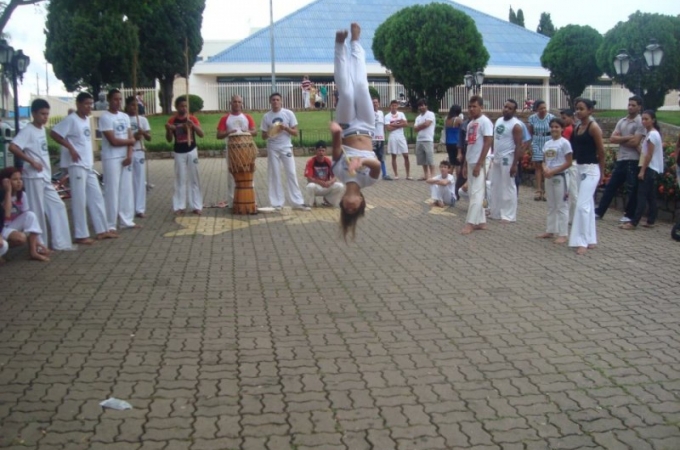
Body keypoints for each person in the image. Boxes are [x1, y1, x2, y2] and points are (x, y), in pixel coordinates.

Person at [330, 23, 381, 240]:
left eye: (346, 209)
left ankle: (340, 46)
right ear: (361, 202)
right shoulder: (369, 181)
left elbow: (336, 149)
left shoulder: (339, 174)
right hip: (368, 126)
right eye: (355, 209)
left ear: (341, 202)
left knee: (348, 94)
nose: (350, 206)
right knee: (361, 86)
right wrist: (362, 162)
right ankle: (356, 42)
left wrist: (335, 132)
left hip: (348, 125)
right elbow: (377, 164)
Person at [8, 98, 73, 250]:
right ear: (34, 113)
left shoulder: (42, 130)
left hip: (44, 176)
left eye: (47, 114)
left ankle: (61, 242)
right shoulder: (27, 131)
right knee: (36, 211)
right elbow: (13, 147)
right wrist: (30, 161)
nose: (45, 117)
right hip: (32, 176)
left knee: (58, 205)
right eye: (42, 114)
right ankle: (39, 245)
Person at [50, 92, 113, 244]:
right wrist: (70, 148)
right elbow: (54, 133)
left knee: (96, 196)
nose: (89, 107)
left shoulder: (86, 120)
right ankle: (81, 234)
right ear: (78, 104)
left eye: (91, 104)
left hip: (88, 164)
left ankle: (102, 229)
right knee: (79, 199)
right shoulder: (71, 119)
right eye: (86, 104)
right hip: (76, 165)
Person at [595, 96, 645, 222]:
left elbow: (635, 142)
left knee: (631, 188)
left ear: (639, 107)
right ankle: (600, 211)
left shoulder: (640, 122)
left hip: (633, 159)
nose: (630, 107)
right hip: (621, 158)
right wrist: (627, 137)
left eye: (633, 105)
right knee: (611, 186)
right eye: (629, 104)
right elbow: (612, 139)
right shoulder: (622, 121)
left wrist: (620, 139)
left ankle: (629, 214)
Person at [261, 92, 311, 211]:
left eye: (278, 99)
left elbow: (295, 133)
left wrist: (285, 128)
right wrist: (271, 131)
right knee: (275, 175)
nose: (275, 102)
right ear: (270, 102)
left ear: (281, 101)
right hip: (272, 148)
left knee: (292, 173)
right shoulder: (266, 116)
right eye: (273, 100)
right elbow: (263, 136)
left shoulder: (288, 114)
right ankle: (277, 203)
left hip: (286, 147)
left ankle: (298, 202)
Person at [569, 98, 605, 255]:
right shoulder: (577, 127)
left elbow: (601, 151)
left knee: (582, 205)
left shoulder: (593, 127)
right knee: (587, 205)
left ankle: (582, 240)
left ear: (590, 110)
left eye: (582, 108)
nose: (578, 111)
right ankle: (590, 239)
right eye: (577, 108)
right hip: (580, 168)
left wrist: (602, 173)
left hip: (591, 170)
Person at [100, 89, 139, 231]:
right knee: (112, 190)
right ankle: (110, 223)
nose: (118, 102)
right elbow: (113, 141)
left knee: (126, 189)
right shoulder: (105, 118)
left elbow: (131, 138)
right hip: (111, 157)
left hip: (125, 157)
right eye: (115, 99)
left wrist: (129, 155)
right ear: (109, 100)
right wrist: (130, 140)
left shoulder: (124, 116)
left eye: (120, 99)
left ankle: (126, 220)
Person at [621, 110, 663, 230]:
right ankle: (651, 220)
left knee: (642, 196)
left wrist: (642, 170)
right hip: (651, 167)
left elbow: (649, 155)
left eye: (647, 119)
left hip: (649, 168)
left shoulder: (652, 135)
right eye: (643, 119)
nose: (644, 121)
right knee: (650, 196)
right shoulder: (651, 134)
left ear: (653, 120)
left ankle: (634, 222)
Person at [460, 95, 493, 235]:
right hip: (471, 159)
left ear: (481, 107)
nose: (472, 109)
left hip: (481, 161)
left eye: (475, 106)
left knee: (477, 193)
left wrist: (480, 163)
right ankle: (481, 221)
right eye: (470, 106)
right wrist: (465, 165)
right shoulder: (470, 124)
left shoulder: (485, 122)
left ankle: (470, 222)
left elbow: (487, 142)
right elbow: (469, 145)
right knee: (473, 190)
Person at [536, 118, 573, 244]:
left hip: (560, 176)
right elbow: (544, 160)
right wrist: (545, 169)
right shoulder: (547, 143)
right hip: (549, 176)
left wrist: (554, 171)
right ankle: (550, 229)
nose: (554, 129)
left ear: (562, 129)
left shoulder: (565, 143)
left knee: (561, 205)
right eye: (552, 127)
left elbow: (568, 162)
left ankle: (563, 233)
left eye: (557, 127)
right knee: (551, 204)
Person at [166, 95, 204, 215]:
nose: (184, 108)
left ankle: (196, 205)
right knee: (180, 179)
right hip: (179, 151)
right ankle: (179, 206)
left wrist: (193, 125)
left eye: (186, 106)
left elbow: (201, 134)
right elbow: (169, 139)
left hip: (191, 150)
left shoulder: (192, 119)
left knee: (194, 178)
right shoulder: (172, 120)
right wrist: (168, 130)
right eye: (181, 106)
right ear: (177, 107)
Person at [1, 167, 49, 261]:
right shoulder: (2, 194)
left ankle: (34, 251)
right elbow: (6, 215)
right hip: (2, 227)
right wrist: (8, 191)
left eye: (20, 179)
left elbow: (29, 220)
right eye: (15, 179)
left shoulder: (22, 195)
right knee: (20, 238)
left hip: (10, 226)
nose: (19, 182)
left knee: (30, 215)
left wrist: (39, 243)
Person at [216, 95, 257, 207]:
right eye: (235, 101)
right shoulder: (225, 118)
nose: (237, 104)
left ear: (241, 103)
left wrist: (247, 131)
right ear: (231, 103)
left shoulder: (247, 117)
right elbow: (219, 135)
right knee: (231, 175)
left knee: (248, 174)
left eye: (239, 102)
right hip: (232, 150)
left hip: (246, 150)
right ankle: (232, 202)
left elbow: (255, 132)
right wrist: (228, 133)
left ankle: (250, 200)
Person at [490, 99, 523, 223]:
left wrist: (515, 164)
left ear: (514, 111)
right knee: (495, 184)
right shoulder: (498, 121)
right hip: (497, 157)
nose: (506, 109)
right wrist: (493, 154)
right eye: (505, 107)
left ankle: (509, 215)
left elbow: (518, 145)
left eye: (510, 108)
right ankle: (496, 212)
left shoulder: (516, 125)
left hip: (508, 158)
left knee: (508, 185)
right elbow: (495, 139)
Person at [125, 96, 152, 218]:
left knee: (140, 180)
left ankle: (140, 208)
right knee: (128, 181)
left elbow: (149, 138)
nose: (134, 108)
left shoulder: (142, 120)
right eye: (131, 105)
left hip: (139, 150)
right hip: (127, 152)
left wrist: (143, 132)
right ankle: (128, 207)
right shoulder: (124, 119)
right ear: (126, 106)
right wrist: (134, 136)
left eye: (136, 105)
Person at [528, 100, 555, 201]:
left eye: (544, 108)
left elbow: (554, 130)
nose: (543, 110)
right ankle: (538, 190)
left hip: (548, 141)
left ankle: (547, 191)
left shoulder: (551, 117)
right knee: (538, 166)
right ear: (536, 109)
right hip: (536, 141)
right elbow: (530, 132)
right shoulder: (532, 118)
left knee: (547, 166)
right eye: (541, 108)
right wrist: (530, 145)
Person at [304, 140, 344, 207]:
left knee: (340, 186)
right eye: (319, 150)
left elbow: (335, 176)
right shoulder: (311, 161)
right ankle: (312, 201)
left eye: (323, 150)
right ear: (316, 151)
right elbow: (309, 178)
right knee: (310, 186)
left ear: (325, 151)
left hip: (326, 185)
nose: (321, 153)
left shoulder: (328, 161)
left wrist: (330, 182)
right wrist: (320, 182)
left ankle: (328, 200)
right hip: (317, 186)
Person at [385, 99, 410, 180]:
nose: (394, 107)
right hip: (392, 137)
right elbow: (388, 128)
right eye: (392, 106)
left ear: (397, 106)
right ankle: (396, 174)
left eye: (395, 106)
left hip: (401, 136)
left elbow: (406, 124)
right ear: (390, 106)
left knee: (406, 155)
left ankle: (408, 174)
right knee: (393, 156)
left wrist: (393, 124)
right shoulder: (387, 116)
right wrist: (399, 123)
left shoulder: (401, 114)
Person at [561, 109, 578, 221]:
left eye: (564, 118)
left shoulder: (568, 129)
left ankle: (573, 217)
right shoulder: (575, 128)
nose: (563, 121)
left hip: (570, 162)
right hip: (572, 162)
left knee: (572, 191)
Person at [413, 99, 436, 180]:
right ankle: (426, 174)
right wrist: (421, 125)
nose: (421, 107)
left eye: (423, 105)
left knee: (430, 158)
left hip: (428, 139)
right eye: (420, 106)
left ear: (426, 106)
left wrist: (419, 126)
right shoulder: (418, 117)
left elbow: (427, 124)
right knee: (422, 159)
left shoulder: (430, 114)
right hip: (419, 139)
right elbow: (415, 129)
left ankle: (432, 175)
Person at [372, 98, 392, 180]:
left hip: (381, 138)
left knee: (381, 157)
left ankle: (384, 174)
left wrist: (384, 135)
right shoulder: (369, 113)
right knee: (371, 157)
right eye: (373, 103)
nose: (375, 104)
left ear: (379, 104)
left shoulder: (381, 113)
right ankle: (371, 175)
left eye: (376, 102)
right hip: (372, 139)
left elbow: (383, 125)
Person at [445, 105, 464, 182]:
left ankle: (449, 179)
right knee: (458, 163)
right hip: (456, 143)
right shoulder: (458, 120)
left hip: (448, 143)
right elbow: (464, 128)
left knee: (451, 161)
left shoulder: (447, 119)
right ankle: (458, 180)